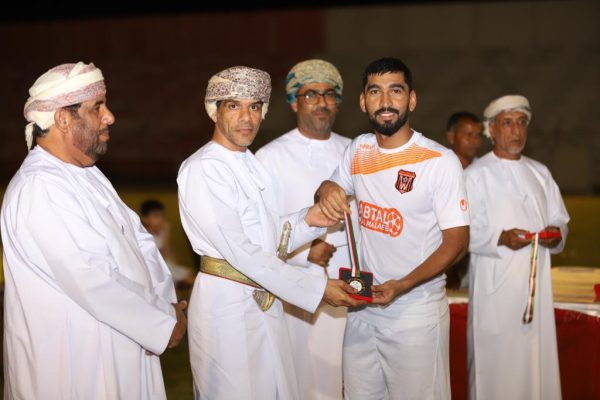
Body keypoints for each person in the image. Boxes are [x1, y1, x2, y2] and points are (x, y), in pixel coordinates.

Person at [0, 62, 187, 399]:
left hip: (124, 343)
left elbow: (140, 243)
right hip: (77, 364)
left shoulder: (86, 174)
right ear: (62, 118)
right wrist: (160, 323)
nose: (109, 117)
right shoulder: (39, 188)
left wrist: (164, 305)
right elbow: (91, 277)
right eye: (97, 107)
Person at [177, 65, 363, 399]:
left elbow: (267, 234)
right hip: (227, 304)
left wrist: (310, 219)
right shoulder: (204, 168)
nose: (246, 117)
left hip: (263, 298)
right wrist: (317, 288)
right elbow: (241, 250)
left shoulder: (247, 163)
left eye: (254, 106)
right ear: (214, 111)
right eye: (233, 106)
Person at [316, 57, 470, 399]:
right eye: (375, 92)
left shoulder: (439, 161)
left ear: (411, 100)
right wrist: (326, 187)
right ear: (363, 101)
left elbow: (458, 242)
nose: (385, 101)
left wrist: (402, 285)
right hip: (363, 308)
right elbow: (332, 187)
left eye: (395, 91)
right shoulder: (358, 150)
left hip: (415, 312)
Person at [256, 59, 351, 399]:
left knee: (348, 375)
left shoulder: (354, 152)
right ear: (294, 102)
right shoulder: (268, 158)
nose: (321, 102)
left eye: (329, 94)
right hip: (294, 285)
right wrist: (305, 252)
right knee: (302, 378)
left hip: (351, 281)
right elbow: (260, 230)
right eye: (311, 94)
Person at [465, 95, 569, 400]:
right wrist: (501, 237)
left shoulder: (540, 172)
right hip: (495, 289)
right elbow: (461, 233)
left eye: (522, 123)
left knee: (535, 361)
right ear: (491, 130)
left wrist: (556, 234)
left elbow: (560, 220)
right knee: (495, 366)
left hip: (537, 289)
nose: (516, 130)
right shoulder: (475, 175)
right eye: (508, 123)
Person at [444, 111, 483, 289]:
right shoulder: (439, 169)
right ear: (451, 137)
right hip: (446, 255)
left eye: (478, 135)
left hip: (479, 254)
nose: (474, 141)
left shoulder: (486, 172)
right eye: (468, 135)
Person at [140, 199, 196, 287]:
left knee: (192, 276)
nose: (160, 219)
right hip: (157, 268)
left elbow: (170, 254)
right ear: (145, 219)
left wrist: (175, 265)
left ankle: (178, 283)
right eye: (156, 216)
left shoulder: (160, 234)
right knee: (189, 279)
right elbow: (160, 256)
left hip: (169, 265)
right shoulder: (145, 236)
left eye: (162, 216)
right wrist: (167, 235)